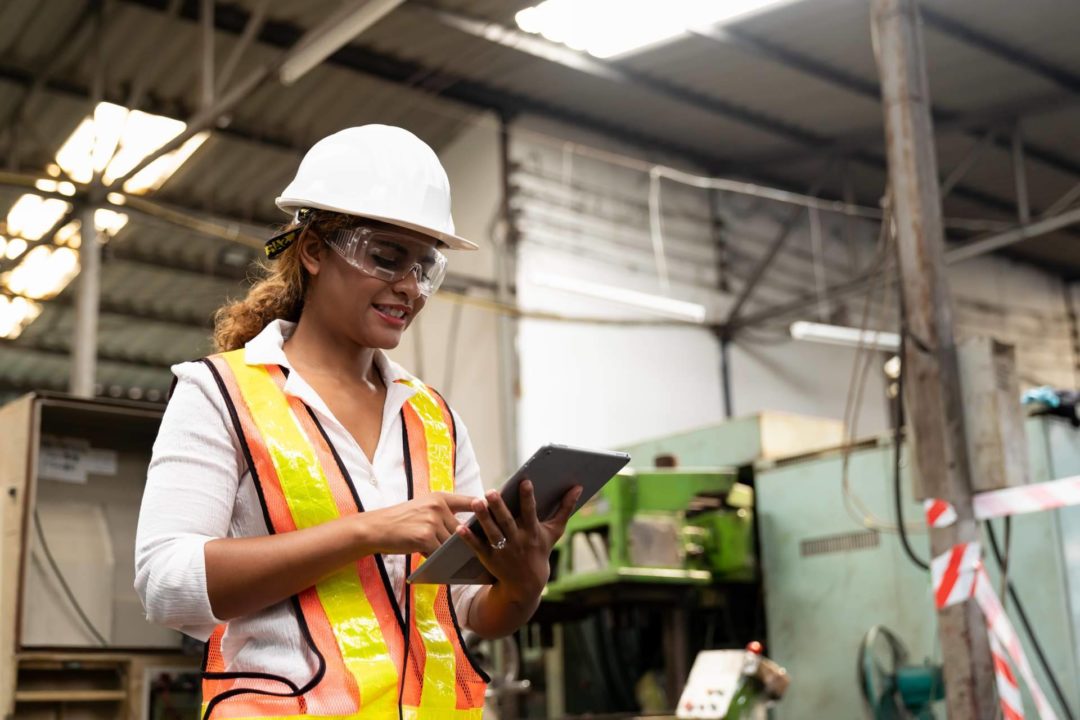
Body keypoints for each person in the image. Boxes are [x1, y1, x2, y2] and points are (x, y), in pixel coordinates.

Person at [135, 125, 582, 719]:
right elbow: (166, 583)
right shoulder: (220, 392)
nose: (409, 288)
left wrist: (523, 581)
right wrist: (368, 531)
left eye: (425, 267)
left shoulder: (434, 418)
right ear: (314, 251)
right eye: (385, 258)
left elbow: (472, 608)